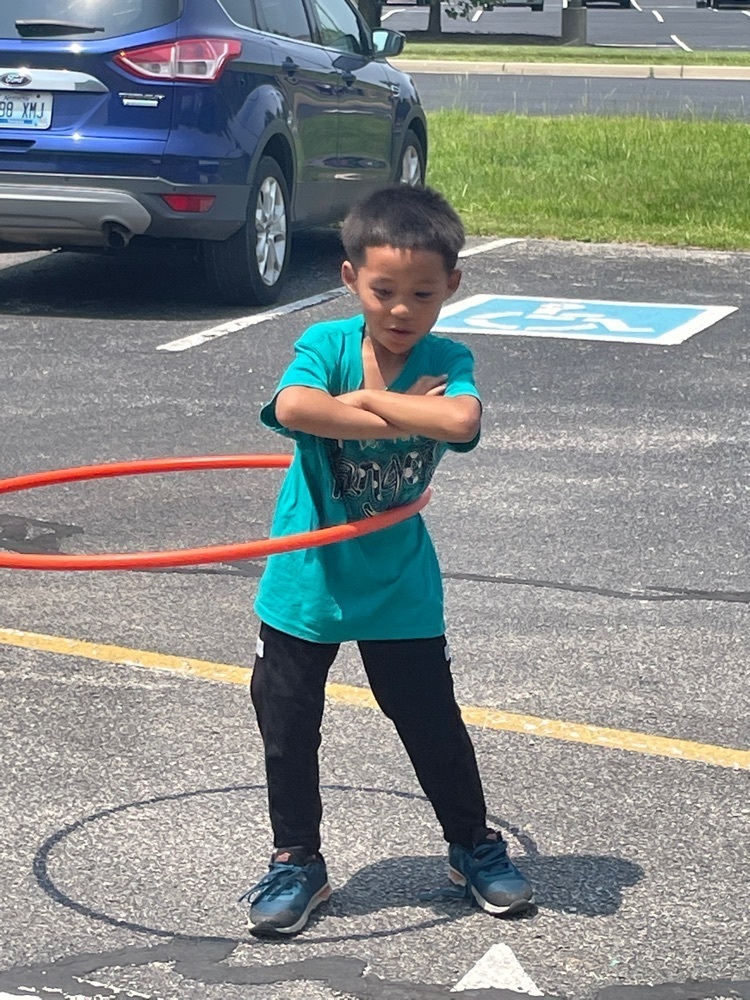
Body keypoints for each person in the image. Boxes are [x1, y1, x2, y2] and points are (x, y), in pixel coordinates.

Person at [240, 185, 533, 937]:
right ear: (350, 279)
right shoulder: (327, 345)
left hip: (399, 585)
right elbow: (295, 407)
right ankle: (296, 859)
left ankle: (472, 845)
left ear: (453, 286)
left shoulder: (448, 356)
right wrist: (398, 407)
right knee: (287, 724)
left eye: (423, 294)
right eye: (383, 291)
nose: (402, 310)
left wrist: (364, 406)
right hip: (308, 580)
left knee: (431, 720)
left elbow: (460, 419)